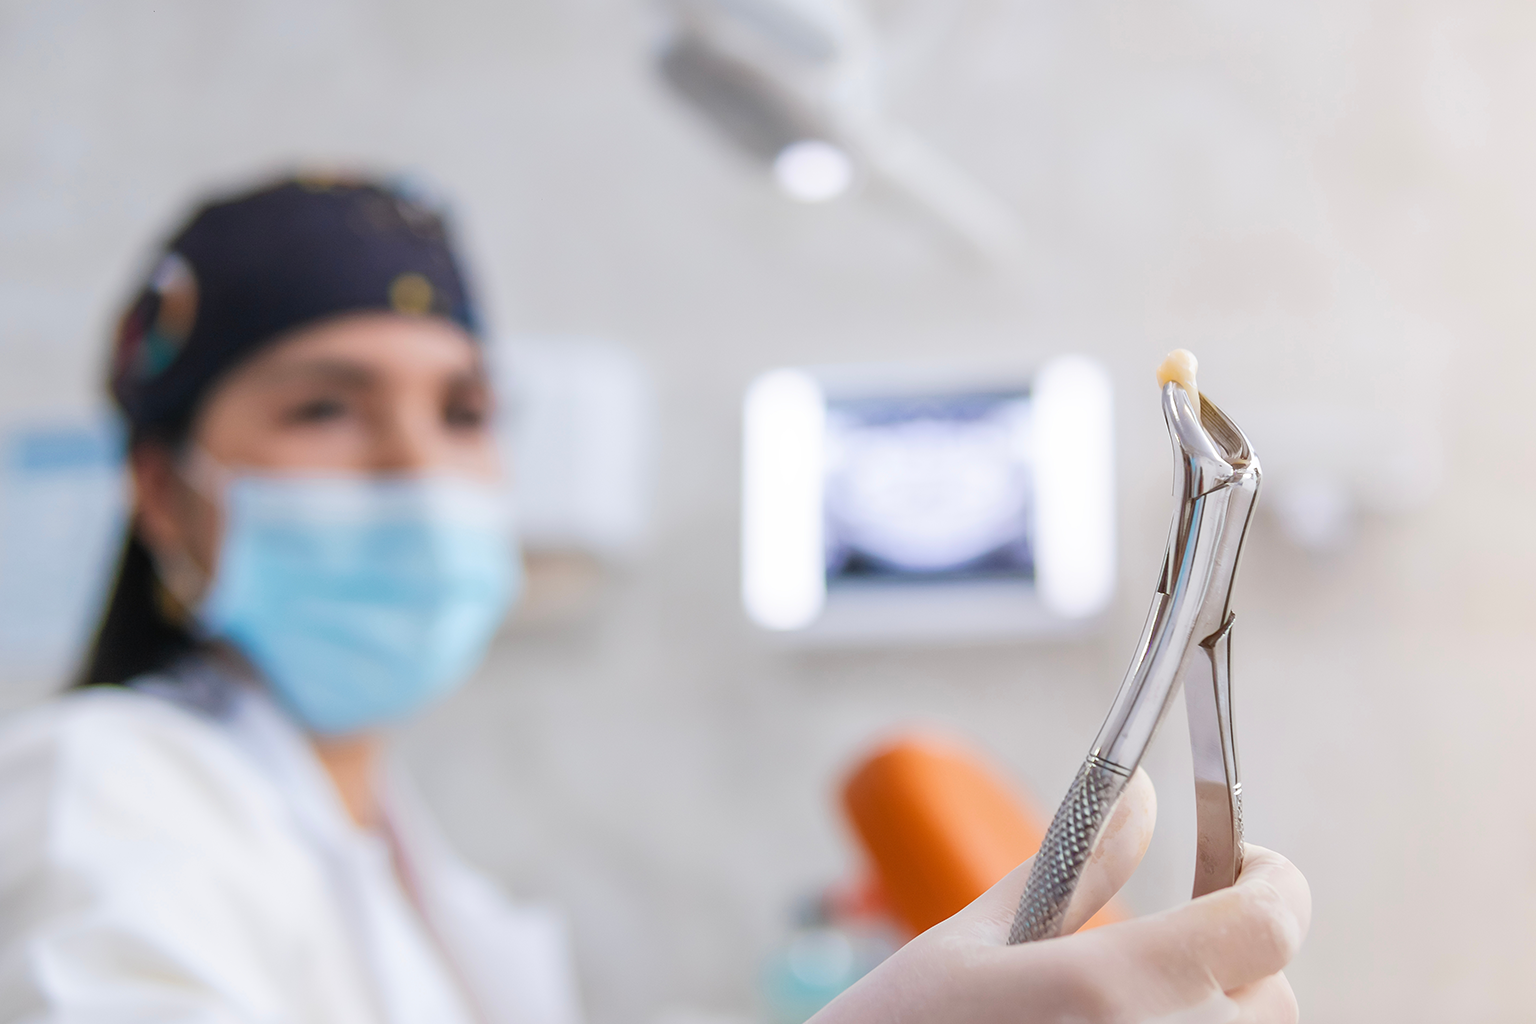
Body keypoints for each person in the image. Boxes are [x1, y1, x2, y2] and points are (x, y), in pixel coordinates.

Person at [0, 176, 1310, 1023]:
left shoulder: (417, 875)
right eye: (327, 406)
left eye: (462, 411)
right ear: (165, 494)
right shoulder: (97, 800)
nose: (416, 461)